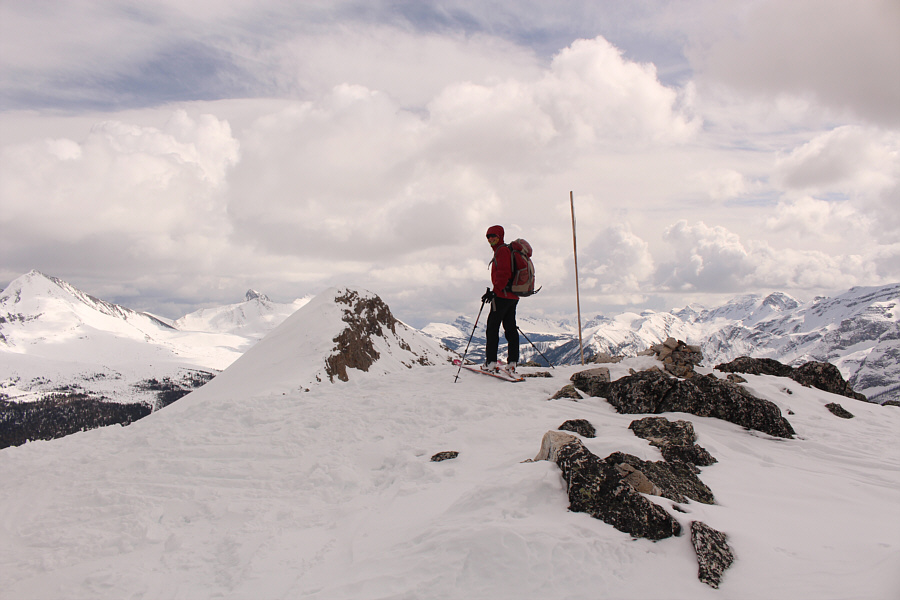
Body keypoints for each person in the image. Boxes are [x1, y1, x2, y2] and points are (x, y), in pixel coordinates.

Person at [481, 225, 519, 375]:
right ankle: (512, 363)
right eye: (488, 236)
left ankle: (490, 362)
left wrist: (495, 292)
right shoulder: (505, 250)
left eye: (493, 235)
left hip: (502, 296)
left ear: (500, 236)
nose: (490, 239)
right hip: (513, 296)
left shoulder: (502, 251)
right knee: (510, 327)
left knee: (492, 327)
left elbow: (503, 273)